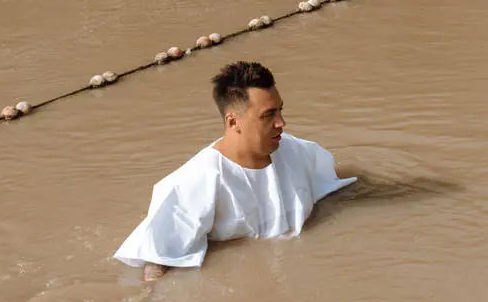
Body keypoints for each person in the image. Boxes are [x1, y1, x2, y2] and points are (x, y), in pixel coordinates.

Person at [112, 60, 355, 280]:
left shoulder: (296, 151)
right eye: (269, 115)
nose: (281, 122)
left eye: (281, 110)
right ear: (232, 121)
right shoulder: (197, 180)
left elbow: (335, 191)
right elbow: (158, 259)